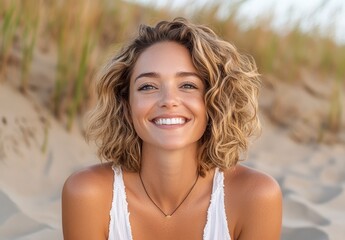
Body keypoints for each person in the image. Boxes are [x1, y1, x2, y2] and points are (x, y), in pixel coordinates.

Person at [62, 17, 282, 240]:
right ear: (126, 104)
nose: (168, 100)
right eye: (148, 86)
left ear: (214, 101)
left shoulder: (255, 196)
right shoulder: (87, 193)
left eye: (188, 85)